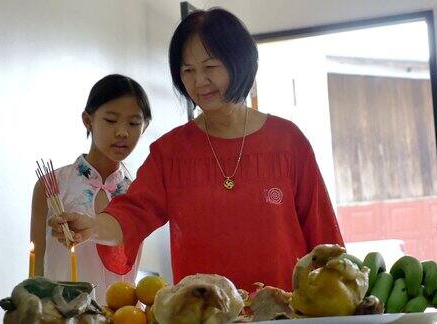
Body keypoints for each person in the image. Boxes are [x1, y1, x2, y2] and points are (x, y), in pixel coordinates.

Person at [50, 8, 343, 292]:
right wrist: (91, 226)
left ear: (239, 62)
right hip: (201, 312)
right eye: (188, 70)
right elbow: (132, 213)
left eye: (210, 67)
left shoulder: (287, 141)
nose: (199, 81)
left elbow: (323, 235)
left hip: (287, 311)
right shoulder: (170, 152)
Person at [31, 74, 151, 303]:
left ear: (144, 127)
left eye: (134, 123)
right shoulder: (52, 185)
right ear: (88, 120)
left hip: (123, 317)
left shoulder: (138, 194)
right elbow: (36, 266)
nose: (122, 132)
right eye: (111, 120)